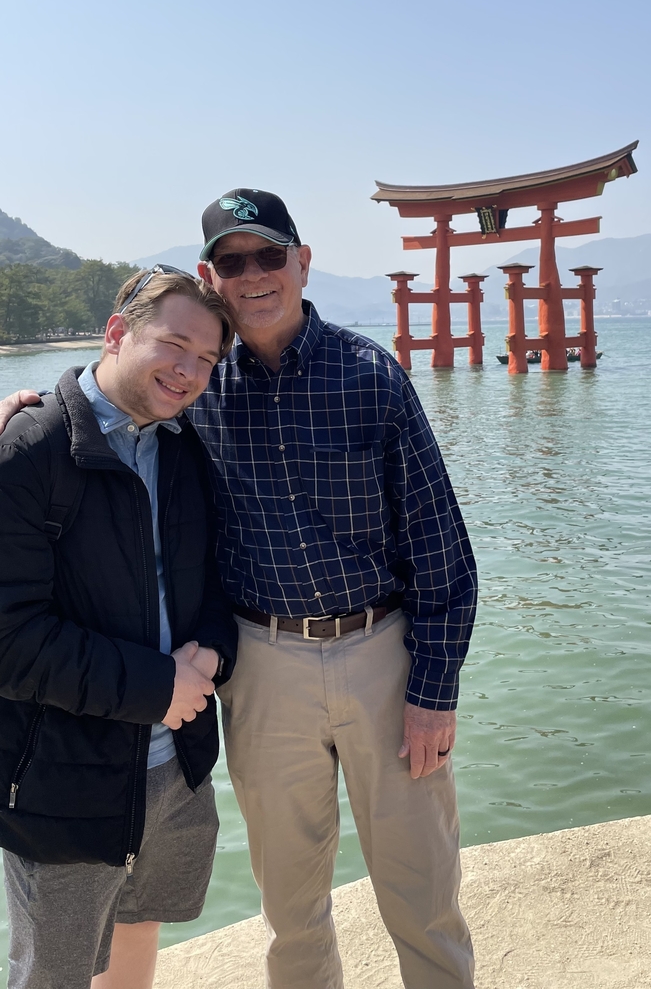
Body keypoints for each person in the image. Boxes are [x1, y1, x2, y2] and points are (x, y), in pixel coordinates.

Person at [0, 189, 478, 989]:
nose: (253, 274)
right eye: (233, 260)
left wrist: (436, 686)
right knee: (290, 904)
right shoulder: (194, 386)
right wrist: (28, 410)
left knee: (422, 887)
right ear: (211, 275)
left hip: (379, 649)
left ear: (302, 261)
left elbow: (439, 541)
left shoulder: (369, 375)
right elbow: (106, 396)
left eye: (269, 255)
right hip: (260, 661)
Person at [0, 268, 238, 989]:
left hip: (175, 766)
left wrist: (214, 651)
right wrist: (157, 685)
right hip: (65, 778)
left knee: (139, 937)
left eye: (206, 359)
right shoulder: (32, 449)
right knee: (54, 972)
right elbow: (9, 640)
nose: (189, 370)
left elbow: (215, 580)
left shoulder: (183, 447)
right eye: (174, 344)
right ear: (116, 332)